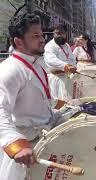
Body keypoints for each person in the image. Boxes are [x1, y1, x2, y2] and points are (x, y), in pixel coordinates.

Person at [0, 12, 63, 180]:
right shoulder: (10, 70)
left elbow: (40, 100)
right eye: (35, 36)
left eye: (41, 35)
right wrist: (16, 145)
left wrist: (64, 105)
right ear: (18, 41)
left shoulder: (35, 64)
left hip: (44, 142)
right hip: (25, 152)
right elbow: (1, 111)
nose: (42, 39)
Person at [43, 24, 77, 100]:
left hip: (67, 77)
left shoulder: (67, 46)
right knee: (58, 104)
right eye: (57, 33)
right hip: (56, 79)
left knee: (69, 102)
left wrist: (73, 66)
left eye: (62, 33)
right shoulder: (50, 46)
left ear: (65, 34)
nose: (60, 35)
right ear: (53, 34)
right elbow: (51, 60)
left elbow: (72, 59)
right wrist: (66, 66)